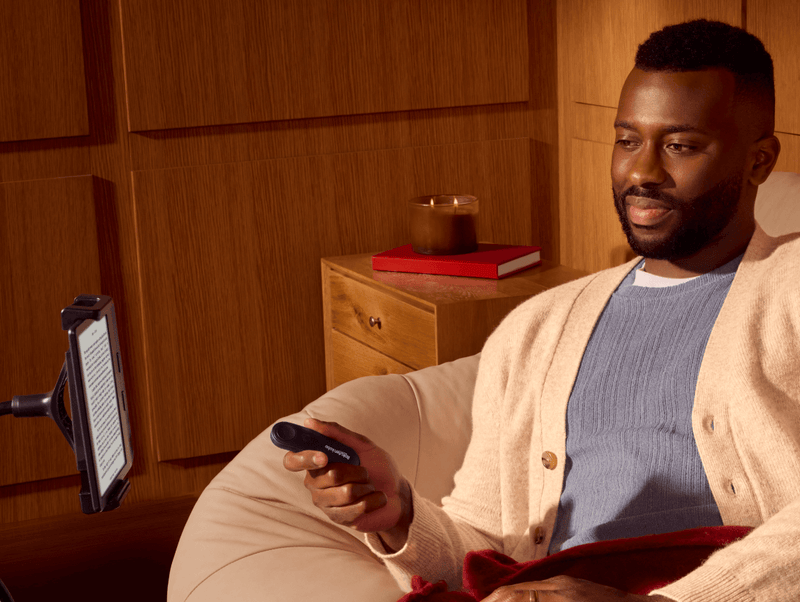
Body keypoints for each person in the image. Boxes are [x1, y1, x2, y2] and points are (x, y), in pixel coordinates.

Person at [284, 19, 800, 602]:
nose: (641, 173)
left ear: (760, 161)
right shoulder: (537, 328)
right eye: (628, 140)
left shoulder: (791, 287)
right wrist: (398, 511)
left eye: (680, 146)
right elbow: (485, 552)